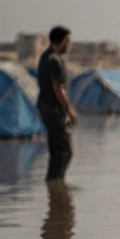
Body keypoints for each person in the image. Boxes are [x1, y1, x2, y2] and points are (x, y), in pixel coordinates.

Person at [36, 25, 77, 181]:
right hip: (54, 109)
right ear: (58, 42)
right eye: (67, 41)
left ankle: (54, 189)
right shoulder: (54, 60)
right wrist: (70, 110)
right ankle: (57, 186)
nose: (68, 45)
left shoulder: (45, 57)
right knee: (65, 151)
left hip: (46, 107)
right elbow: (58, 88)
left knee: (56, 151)